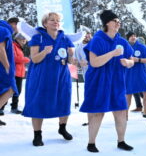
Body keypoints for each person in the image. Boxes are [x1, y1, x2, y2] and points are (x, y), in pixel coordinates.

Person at [80, 10, 135, 153]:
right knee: (98, 112)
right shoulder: (97, 40)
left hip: (117, 81)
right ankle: (91, 143)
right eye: (115, 20)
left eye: (119, 21)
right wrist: (112, 54)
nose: (118, 23)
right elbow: (94, 62)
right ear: (107, 23)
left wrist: (128, 63)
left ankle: (121, 141)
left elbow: (132, 60)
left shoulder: (122, 41)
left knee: (121, 111)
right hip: (98, 81)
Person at [22, 12, 75, 146]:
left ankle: (62, 128)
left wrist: (73, 59)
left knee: (63, 100)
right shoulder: (37, 37)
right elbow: (34, 59)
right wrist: (44, 52)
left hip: (61, 75)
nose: (55, 22)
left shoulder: (64, 38)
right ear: (45, 23)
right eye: (52, 20)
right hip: (41, 76)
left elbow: (69, 59)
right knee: (38, 102)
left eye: (57, 20)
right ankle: (37, 135)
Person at [125, 32, 146, 119]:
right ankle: (125, 115)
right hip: (128, 75)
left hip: (141, 74)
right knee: (128, 95)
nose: (133, 37)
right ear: (128, 38)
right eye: (131, 36)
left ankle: (145, 112)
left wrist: (138, 60)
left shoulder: (141, 47)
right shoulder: (124, 47)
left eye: (134, 36)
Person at [0, 20, 18, 126]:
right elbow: (0, 48)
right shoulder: (4, 30)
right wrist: (7, 65)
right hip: (2, 68)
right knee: (11, 89)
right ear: (15, 24)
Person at [74, 29, 92, 126]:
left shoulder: (96, 44)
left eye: (88, 34)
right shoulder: (78, 48)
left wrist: (89, 62)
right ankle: (90, 120)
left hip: (100, 75)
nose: (86, 36)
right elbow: (76, 62)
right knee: (89, 97)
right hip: (87, 76)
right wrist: (77, 63)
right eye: (84, 34)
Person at [10, 33, 30, 114]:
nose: (24, 42)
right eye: (23, 40)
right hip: (14, 72)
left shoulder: (19, 47)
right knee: (9, 90)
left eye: (25, 40)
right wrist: (27, 59)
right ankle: (2, 106)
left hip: (20, 73)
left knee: (18, 91)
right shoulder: (13, 46)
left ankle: (14, 107)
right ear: (18, 39)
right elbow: (14, 58)